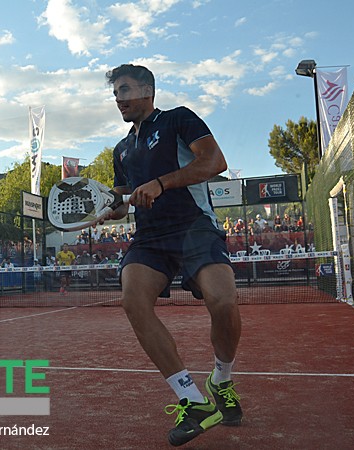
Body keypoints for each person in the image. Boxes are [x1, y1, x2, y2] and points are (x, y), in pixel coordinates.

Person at [105, 64, 242, 446]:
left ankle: (222, 379)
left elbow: (215, 162)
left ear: (147, 90)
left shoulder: (179, 119)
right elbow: (121, 200)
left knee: (223, 301)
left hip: (195, 226)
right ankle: (192, 399)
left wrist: (161, 183)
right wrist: (110, 207)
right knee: (133, 299)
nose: (119, 98)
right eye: (115, 92)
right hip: (151, 237)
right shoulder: (122, 149)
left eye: (125, 89)